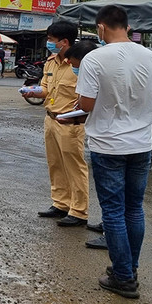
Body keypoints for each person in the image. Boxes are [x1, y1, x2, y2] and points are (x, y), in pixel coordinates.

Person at [77, 6, 152, 299]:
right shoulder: (151, 57)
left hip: (108, 144)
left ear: (101, 27)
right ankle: (128, 269)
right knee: (133, 208)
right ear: (126, 26)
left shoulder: (94, 58)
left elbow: (86, 105)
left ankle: (124, 277)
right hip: (141, 143)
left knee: (113, 211)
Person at [26, 21, 90, 228]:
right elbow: (45, 88)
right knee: (55, 164)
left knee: (74, 167)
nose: (48, 43)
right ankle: (61, 203)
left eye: (51, 40)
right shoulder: (51, 62)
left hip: (70, 123)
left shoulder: (79, 64)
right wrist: (33, 91)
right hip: (51, 118)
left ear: (64, 41)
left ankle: (79, 211)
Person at [62, 40, 106, 250]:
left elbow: (86, 105)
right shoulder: (145, 61)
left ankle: (112, 235)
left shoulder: (97, 70)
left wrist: (79, 110)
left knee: (113, 196)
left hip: (110, 142)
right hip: (136, 141)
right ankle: (110, 229)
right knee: (126, 201)